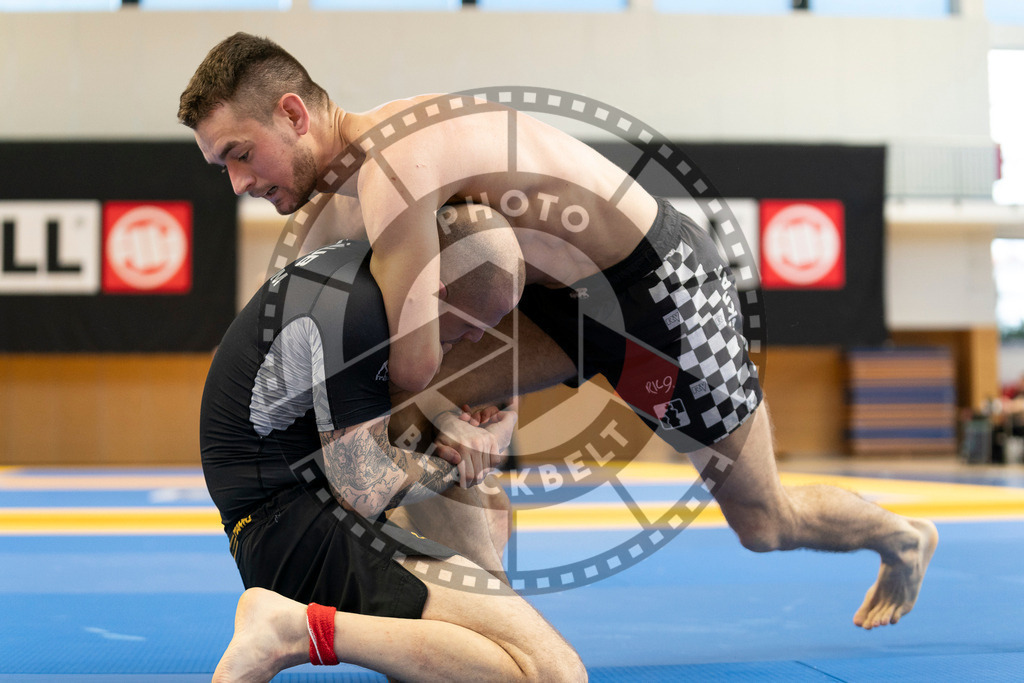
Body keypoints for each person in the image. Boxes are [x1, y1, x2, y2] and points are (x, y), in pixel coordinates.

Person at [181, 32, 938, 631]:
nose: (240, 183)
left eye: (240, 155)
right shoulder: (342, 203)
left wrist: (438, 415)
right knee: (416, 422)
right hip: (560, 311)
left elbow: (407, 364)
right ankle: (494, 622)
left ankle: (903, 538)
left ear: (293, 112)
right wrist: (457, 409)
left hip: (660, 300)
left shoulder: (395, 166)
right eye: (222, 167)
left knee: (765, 521)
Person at [199, 204, 586, 682]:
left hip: (296, 513)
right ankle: (294, 629)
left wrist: (479, 431)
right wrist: (457, 462)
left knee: (492, 509)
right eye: (469, 327)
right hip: (295, 533)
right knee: (551, 672)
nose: (474, 341)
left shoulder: (373, 274)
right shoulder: (355, 315)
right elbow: (364, 486)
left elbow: (443, 403)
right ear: (436, 295)